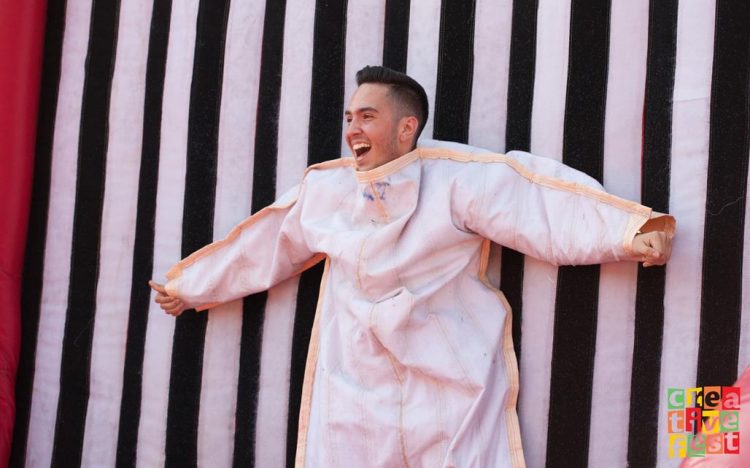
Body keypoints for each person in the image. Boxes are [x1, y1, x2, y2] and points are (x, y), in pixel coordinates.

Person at [150, 65, 674, 467]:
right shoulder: (326, 190)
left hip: (448, 371)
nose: (352, 129)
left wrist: (631, 232)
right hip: (353, 380)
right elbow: (265, 243)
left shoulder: (456, 178)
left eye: (367, 117)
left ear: (407, 127)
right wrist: (192, 287)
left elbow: (535, 204)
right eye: (349, 118)